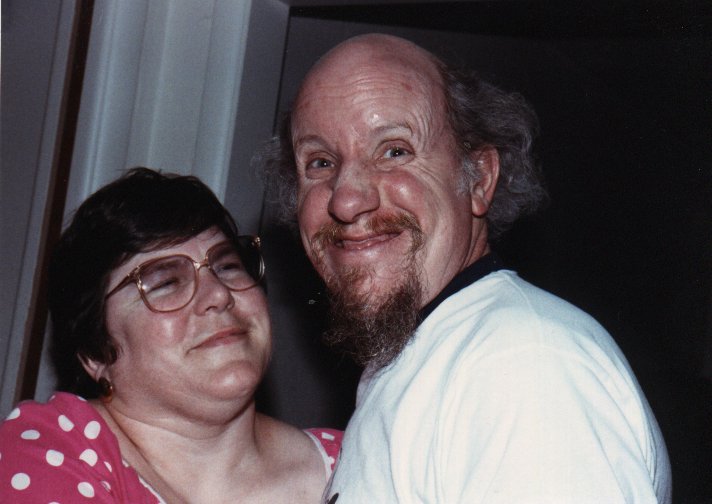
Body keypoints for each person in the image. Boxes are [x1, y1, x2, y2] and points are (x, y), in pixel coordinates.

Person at [262, 33, 672, 503]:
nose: (347, 199)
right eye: (319, 162)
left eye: (394, 150)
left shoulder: (520, 364)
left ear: (478, 178)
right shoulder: (431, 360)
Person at [0, 168, 342, 503]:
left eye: (227, 266)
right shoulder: (48, 453)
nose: (218, 294)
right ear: (96, 351)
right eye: (166, 283)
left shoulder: (355, 457)